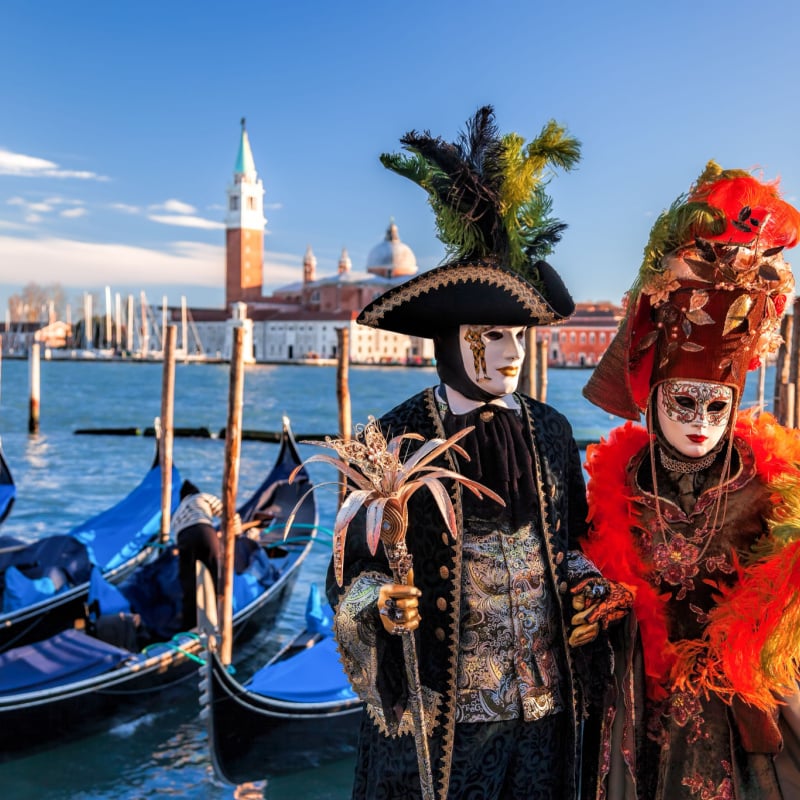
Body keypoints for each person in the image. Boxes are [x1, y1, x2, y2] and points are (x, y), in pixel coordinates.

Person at [326, 106, 630, 800]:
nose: (512, 352)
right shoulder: (394, 435)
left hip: (547, 717)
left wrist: (590, 586)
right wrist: (380, 606)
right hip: (444, 725)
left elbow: (569, 538)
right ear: (452, 337)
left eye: (519, 336)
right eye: (493, 335)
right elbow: (348, 572)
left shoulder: (550, 430)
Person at [581, 162, 800, 798]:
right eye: (684, 403)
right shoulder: (616, 485)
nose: (702, 423)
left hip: (729, 715)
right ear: (654, 402)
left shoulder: (770, 491)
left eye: (716, 406)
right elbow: (589, 568)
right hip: (633, 707)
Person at [172, 479, 224, 628]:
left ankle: (189, 625)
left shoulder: (177, 513)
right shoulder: (202, 497)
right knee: (216, 575)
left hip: (184, 539)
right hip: (204, 531)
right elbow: (227, 514)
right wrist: (238, 530)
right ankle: (219, 617)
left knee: (189, 584)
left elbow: (178, 538)